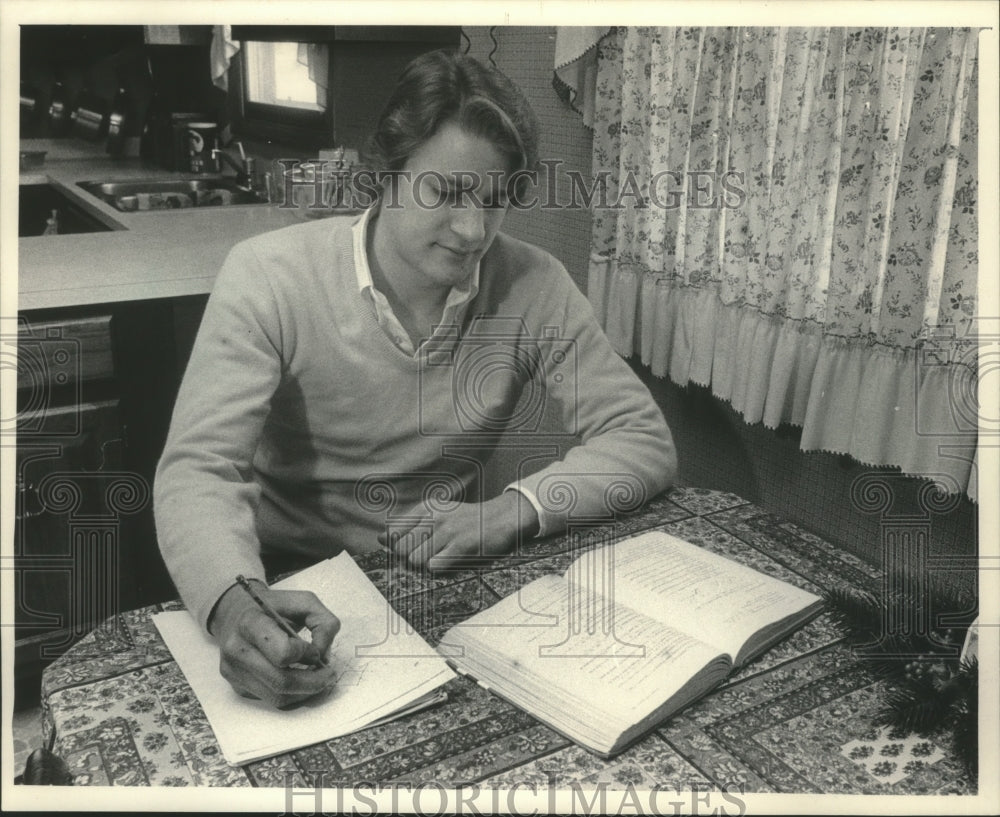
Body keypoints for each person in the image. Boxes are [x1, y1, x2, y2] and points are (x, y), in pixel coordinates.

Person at [154, 50, 677, 708]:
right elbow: (198, 470)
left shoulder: (536, 283)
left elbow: (643, 439)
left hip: (446, 578)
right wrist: (236, 605)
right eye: (447, 192)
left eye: (493, 201)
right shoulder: (266, 275)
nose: (473, 230)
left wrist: (512, 510)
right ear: (386, 173)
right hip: (288, 581)